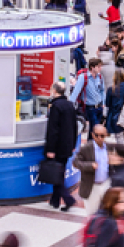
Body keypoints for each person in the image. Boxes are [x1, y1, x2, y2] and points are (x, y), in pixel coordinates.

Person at [40, 83, 80, 212]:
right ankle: (55, 200)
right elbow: (74, 126)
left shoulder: (55, 106)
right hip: (67, 146)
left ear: (55, 90)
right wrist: (73, 144)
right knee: (59, 173)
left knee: (57, 176)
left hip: (57, 147)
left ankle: (68, 199)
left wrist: (50, 149)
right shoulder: (69, 105)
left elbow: (53, 130)